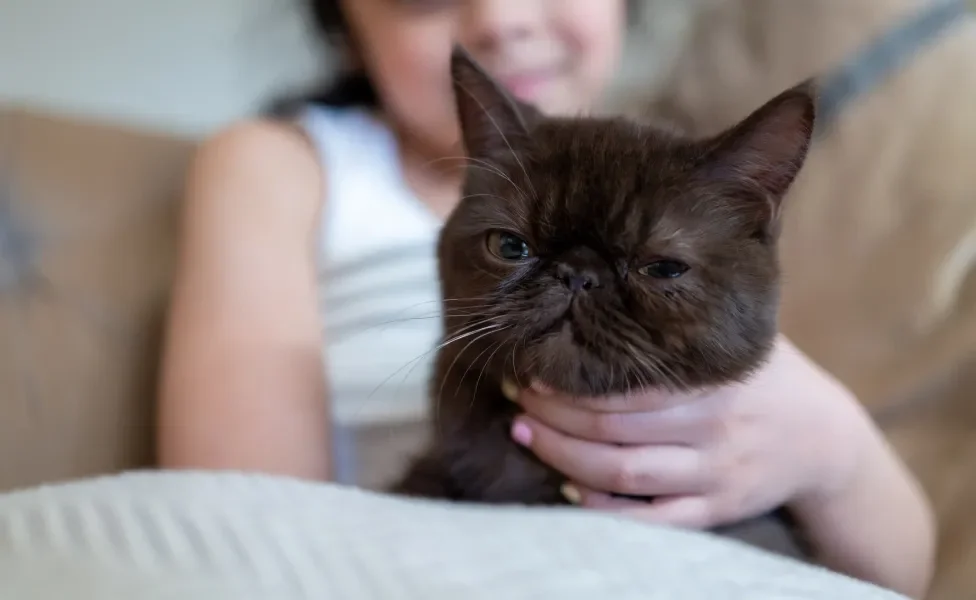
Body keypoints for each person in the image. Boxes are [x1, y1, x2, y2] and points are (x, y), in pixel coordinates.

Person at [155, 1, 935, 597]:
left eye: (653, 268)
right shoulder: (288, 163)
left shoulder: (688, 174)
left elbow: (904, 574)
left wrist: (835, 451)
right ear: (342, 21)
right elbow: (241, 520)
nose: (500, 19)